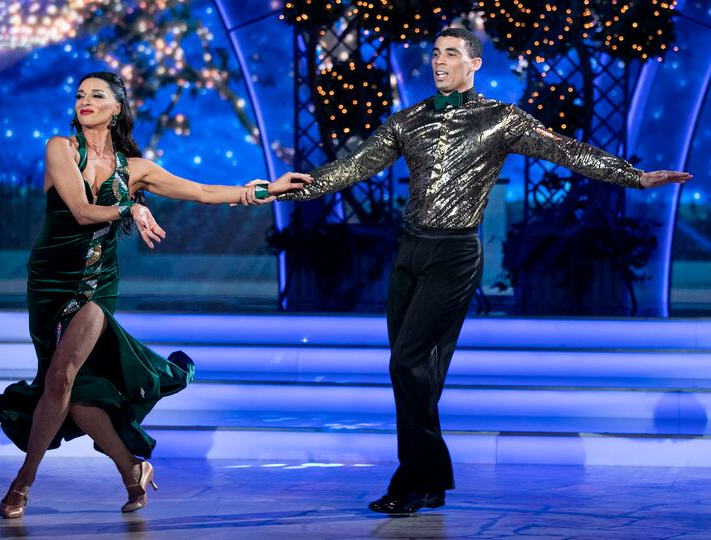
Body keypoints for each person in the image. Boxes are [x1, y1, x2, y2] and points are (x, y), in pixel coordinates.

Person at [252, 27, 691, 515]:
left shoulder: (500, 119)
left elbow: (567, 150)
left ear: (474, 63)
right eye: (436, 53)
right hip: (410, 253)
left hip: (456, 254)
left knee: (406, 365)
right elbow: (353, 167)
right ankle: (429, 481)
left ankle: (414, 478)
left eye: (451, 53)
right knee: (419, 374)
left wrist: (634, 176)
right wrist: (286, 190)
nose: (440, 61)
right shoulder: (408, 121)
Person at [0, 71, 310, 519]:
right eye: (80, 94)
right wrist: (130, 206)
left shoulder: (136, 169)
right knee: (74, 392)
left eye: (97, 95)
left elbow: (202, 191)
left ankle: (23, 481)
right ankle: (130, 467)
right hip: (48, 281)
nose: (85, 101)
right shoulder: (61, 148)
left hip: (97, 284)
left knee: (62, 379)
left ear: (117, 108)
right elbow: (80, 211)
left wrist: (266, 189)